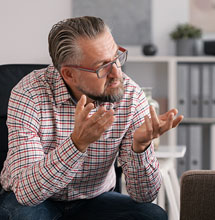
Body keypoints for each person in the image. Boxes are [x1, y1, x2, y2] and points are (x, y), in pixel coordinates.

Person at [0, 16, 183, 220]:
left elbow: (145, 195)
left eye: (116, 58)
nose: (117, 73)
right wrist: (77, 144)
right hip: (37, 199)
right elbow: (27, 194)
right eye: (102, 67)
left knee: (152, 216)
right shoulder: (28, 93)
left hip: (95, 198)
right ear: (69, 74)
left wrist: (140, 148)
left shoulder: (131, 96)